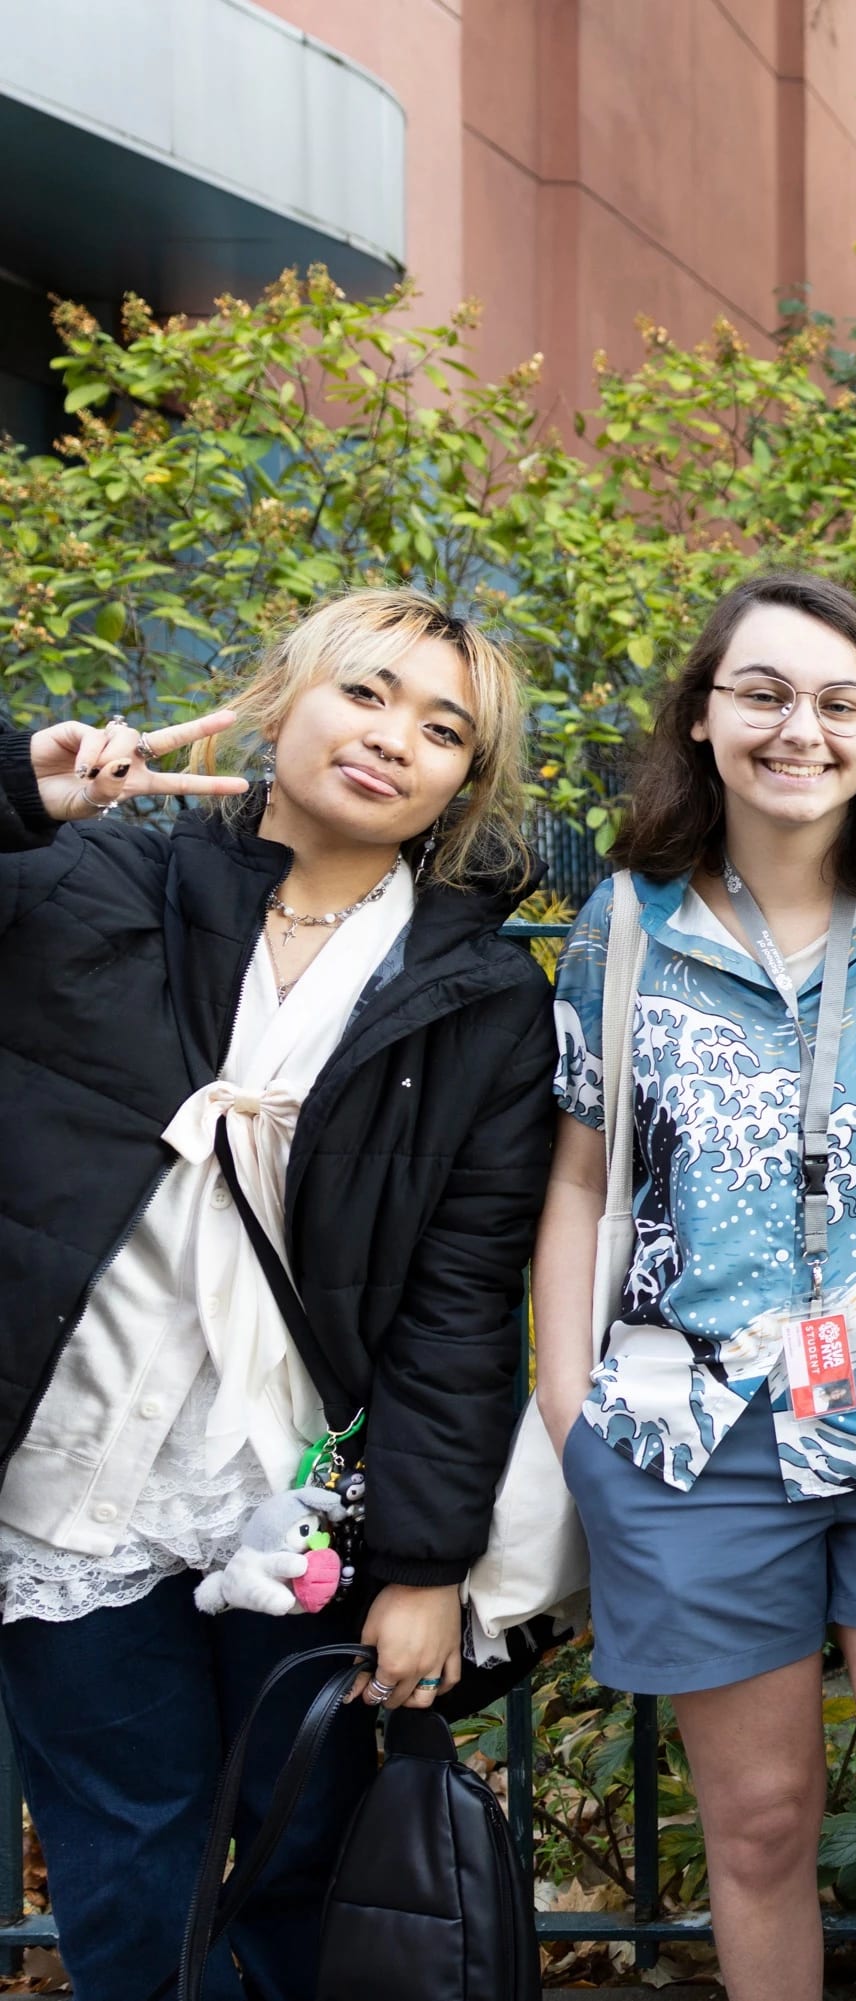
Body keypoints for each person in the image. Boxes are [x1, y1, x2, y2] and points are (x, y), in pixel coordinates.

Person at [0, 590, 556, 1998]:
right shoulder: (93, 882)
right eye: (365, 694)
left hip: (295, 1492)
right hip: (73, 1476)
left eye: (443, 730)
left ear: (460, 785)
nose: (392, 741)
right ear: (282, 695)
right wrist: (23, 791)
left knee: (306, 1860)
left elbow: (459, 1299)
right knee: (131, 1879)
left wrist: (428, 1567)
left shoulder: (476, 993)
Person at [533, 571, 856, 2001]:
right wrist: (570, 1408)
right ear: (702, 715)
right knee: (757, 1827)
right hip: (695, 1440)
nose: (797, 727)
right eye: (762, 692)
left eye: (837, 700)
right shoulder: (620, 928)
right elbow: (580, 1182)